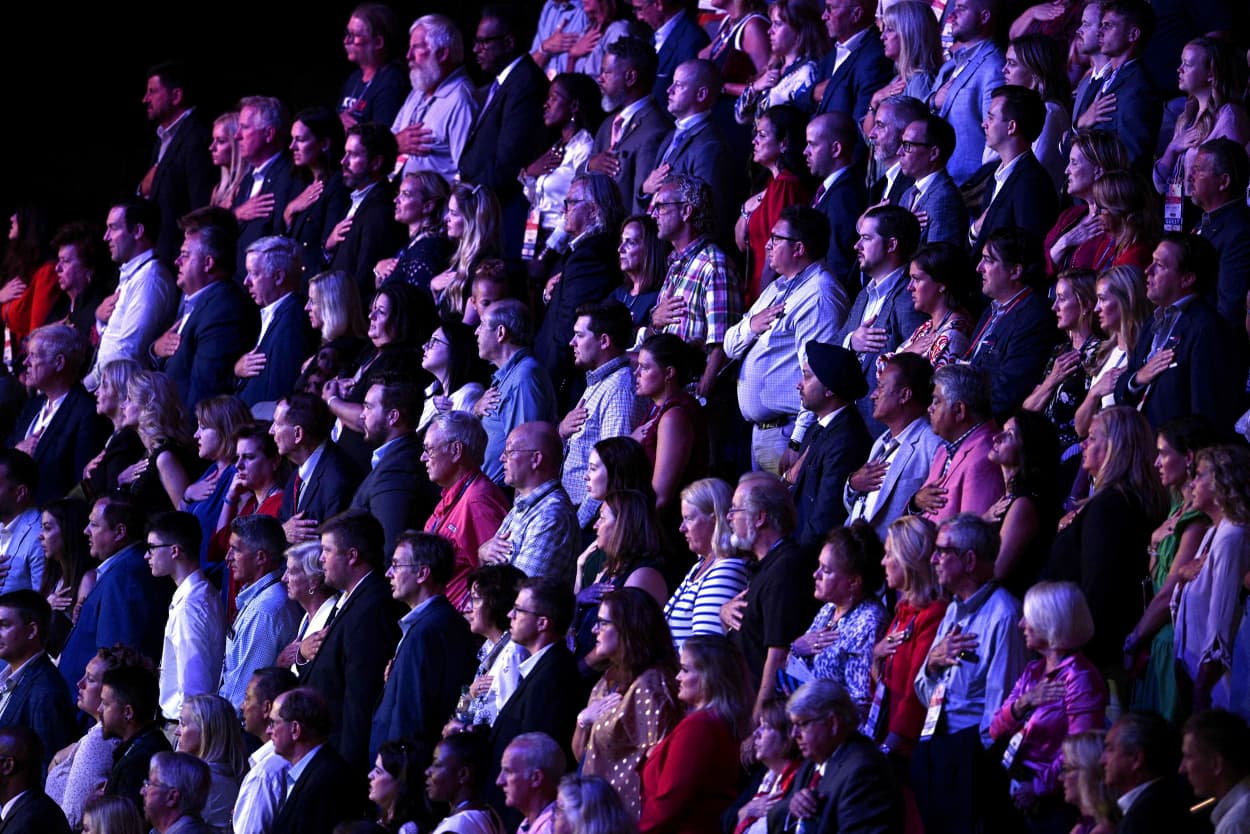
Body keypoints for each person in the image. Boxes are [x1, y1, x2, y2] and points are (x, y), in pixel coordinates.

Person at [911, 513, 1027, 834]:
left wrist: (977, 765)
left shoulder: (1004, 615)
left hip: (970, 758)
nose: (933, 559)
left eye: (941, 551)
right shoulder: (951, 611)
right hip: (935, 745)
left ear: (969, 559)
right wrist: (932, 663)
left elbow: (1001, 704)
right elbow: (922, 688)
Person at [1045, 406, 1168, 687]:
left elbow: (1098, 591)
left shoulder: (1109, 507)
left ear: (1115, 447)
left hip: (1093, 664)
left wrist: (1077, 664)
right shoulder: (1126, 500)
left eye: (1091, 437)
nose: (1083, 445)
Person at [724, 206, 846, 476]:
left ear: (799, 248)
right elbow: (730, 345)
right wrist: (751, 327)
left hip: (787, 432)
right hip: (763, 432)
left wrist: (797, 440)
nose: (767, 245)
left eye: (776, 238)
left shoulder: (819, 296)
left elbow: (816, 377)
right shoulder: (777, 286)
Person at [988, 582, 1108, 830]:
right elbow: (995, 729)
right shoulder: (1034, 671)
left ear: (1050, 621)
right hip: (1017, 783)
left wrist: (1039, 787)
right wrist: (1024, 702)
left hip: (1056, 798)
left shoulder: (1080, 677)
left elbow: (1079, 750)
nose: (1021, 624)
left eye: (1028, 617)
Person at [298, 511, 403, 771]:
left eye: (327, 550)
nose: (321, 559)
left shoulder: (373, 606)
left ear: (352, 556)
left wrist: (347, 772)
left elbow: (360, 698)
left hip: (342, 760)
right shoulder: (353, 599)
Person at [1128, 417, 1214, 722]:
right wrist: (1153, 542)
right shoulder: (1174, 510)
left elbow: (1170, 590)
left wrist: (1135, 637)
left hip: (1173, 639)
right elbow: (1155, 576)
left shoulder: (1197, 518)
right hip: (1157, 637)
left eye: (1164, 453)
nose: (1156, 463)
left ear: (1188, 457)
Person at [369, 532, 477, 763]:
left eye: (397, 565)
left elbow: (411, 712)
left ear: (422, 573)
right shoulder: (441, 623)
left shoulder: (427, 631)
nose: (389, 573)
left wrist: (396, 771)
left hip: (403, 771)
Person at [1114, 233, 1240, 431]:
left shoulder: (1206, 329)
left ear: (1187, 279)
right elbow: (1122, 386)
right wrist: (1138, 378)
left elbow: (1205, 414)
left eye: (1160, 266)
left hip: (1173, 455)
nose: (1147, 271)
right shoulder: (1152, 322)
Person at [575, 588, 680, 818]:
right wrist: (583, 720)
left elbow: (659, 764)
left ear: (628, 628)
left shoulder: (651, 684)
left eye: (602, 623)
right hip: (593, 814)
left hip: (626, 818)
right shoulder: (607, 679)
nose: (595, 630)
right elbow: (583, 756)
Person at [58, 493, 172, 698]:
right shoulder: (122, 570)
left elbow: (115, 662)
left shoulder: (125, 577)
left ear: (119, 532)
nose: (86, 531)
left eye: (93, 524)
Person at [723, 473, 816, 719]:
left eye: (735, 510)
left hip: (764, 717)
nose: (729, 518)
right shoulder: (764, 565)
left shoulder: (786, 568)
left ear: (760, 517)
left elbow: (777, 654)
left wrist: (758, 721)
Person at [459, 6, 549, 260]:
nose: (475, 50)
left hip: (503, 215)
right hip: (487, 210)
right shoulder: (503, 81)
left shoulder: (526, 83)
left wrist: (468, 196)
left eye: (483, 42)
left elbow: (508, 161)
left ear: (508, 42)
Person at [639, 635, 752, 834]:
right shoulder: (720, 721)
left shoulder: (699, 728)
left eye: (685, 670)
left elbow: (669, 803)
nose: (677, 677)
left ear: (709, 676)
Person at [487, 577, 581, 810]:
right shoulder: (543, 667)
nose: (510, 614)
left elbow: (534, 761)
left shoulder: (554, 676)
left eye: (519, 610)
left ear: (542, 623)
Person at [156, 208, 260, 412]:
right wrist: (155, 349)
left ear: (208, 262)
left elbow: (204, 396)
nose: (177, 261)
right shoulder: (197, 299)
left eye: (185, 255)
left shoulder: (224, 309)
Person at [645, 172, 740, 395]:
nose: (654, 215)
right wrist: (655, 322)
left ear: (686, 211)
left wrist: (700, 398)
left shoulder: (713, 265)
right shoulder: (676, 264)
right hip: (667, 395)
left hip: (692, 398)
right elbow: (656, 335)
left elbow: (722, 345)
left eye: (661, 207)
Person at [534, 175, 626, 403]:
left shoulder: (590, 255)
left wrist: (547, 389)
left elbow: (567, 329)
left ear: (593, 210)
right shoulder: (585, 251)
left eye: (571, 202)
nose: (564, 209)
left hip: (565, 387)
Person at [834, 205, 925, 436]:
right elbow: (835, 344)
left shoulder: (909, 296)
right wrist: (851, 341)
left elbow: (915, 370)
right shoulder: (865, 294)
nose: (857, 246)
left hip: (884, 430)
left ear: (891, 245)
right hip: (852, 428)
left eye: (866, 238)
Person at [766, 680, 901, 834]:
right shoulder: (811, 765)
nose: (794, 734)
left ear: (832, 723)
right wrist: (792, 807)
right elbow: (775, 814)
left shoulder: (865, 769)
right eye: (793, 726)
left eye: (802, 724)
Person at [1174, 446, 1250, 712]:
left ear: (1222, 480)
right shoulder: (1214, 532)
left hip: (1218, 693)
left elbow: (1221, 623)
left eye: (1199, 475)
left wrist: (1201, 692)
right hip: (1198, 678)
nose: (1192, 483)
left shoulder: (1232, 537)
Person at [45, 645, 152, 830]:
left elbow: (72, 818)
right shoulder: (97, 735)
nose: (80, 684)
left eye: (91, 679)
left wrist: (56, 760)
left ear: (110, 690)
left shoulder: (98, 742)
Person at [866, 517, 946, 764]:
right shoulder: (903, 612)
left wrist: (890, 746)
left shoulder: (932, 615)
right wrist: (876, 657)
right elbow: (885, 682)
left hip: (907, 753)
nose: (883, 562)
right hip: (887, 737)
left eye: (889, 554)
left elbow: (915, 693)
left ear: (909, 559)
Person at [784, 524, 887, 715]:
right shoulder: (828, 610)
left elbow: (861, 702)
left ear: (853, 582)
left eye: (826, 570)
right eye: (818, 566)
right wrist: (796, 646)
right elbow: (794, 661)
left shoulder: (869, 621)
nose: (816, 575)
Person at [561, 301, 646, 528]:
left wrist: (576, 526)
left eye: (579, 335)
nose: (572, 343)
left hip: (590, 520)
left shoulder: (619, 388)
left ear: (604, 341)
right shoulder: (599, 381)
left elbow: (612, 470)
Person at [82, 197, 178, 393]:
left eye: (113, 228)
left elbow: (128, 352)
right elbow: (113, 339)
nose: (106, 237)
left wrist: (84, 388)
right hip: (107, 390)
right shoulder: (132, 272)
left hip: (124, 396)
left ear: (137, 231)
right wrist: (100, 321)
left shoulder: (150, 279)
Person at [9, 325, 111, 504]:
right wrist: (17, 451)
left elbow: (81, 484)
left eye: (33, 355)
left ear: (59, 363)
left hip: (52, 523)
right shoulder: (31, 406)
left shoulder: (87, 412)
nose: (25, 363)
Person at [846, 353, 943, 539]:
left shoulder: (932, 443)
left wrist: (914, 503)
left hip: (892, 557)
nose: (873, 395)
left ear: (905, 395)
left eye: (881, 388)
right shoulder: (881, 442)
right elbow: (856, 504)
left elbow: (934, 512)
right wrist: (852, 484)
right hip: (856, 551)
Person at [965, 227, 1058, 421]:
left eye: (988, 261)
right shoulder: (993, 308)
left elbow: (1008, 393)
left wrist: (965, 419)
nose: (979, 267)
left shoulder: (1034, 317)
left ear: (1015, 271)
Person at [788, 341, 871, 554]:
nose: (799, 384)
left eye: (807, 376)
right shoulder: (817, 428)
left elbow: (824, 519)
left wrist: (793, 560)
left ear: (829, 389)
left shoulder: (846, 440)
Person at [421, 411, 508, 608]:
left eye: (429, 449)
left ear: (456, 450)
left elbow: (498, 578)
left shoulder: (478, 500)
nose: (423, 457)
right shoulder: (452, 494)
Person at [145, 511, 224, 724]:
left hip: (186, 724)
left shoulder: (190, 605)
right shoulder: (202, 591)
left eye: (152, 547)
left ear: (175, 551)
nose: (146, 555)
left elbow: (195, 685)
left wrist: (187, 733)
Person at [1021, 269, 1098, 482]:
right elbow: (1027, 410)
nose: (1054, 306)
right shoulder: (1059, 352)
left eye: (1062, 299)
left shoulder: (1098, 353)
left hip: (1072, 461)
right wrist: (1052, 379)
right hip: (1042, 456)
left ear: (1087, 304)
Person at [968, 86, 1060, 263]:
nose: (984, 124)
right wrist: (974, 230)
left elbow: (1027, 254)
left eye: (991, 118)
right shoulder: (995, 175)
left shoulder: (1032, 184)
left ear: (1011, 127)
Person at [219, 514, 300, 710]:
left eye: (235, 550)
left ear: (260, 557)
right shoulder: (261, 599)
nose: (227, 557)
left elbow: (240, 697)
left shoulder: (264, 610)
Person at [481, 422, 578, 584]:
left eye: (509, 452)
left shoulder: (551, 515)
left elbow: (520, 593)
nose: (502, 458)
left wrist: (483, 557)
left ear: (536, 459)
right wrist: (481, 553)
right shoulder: (524, 505)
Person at [138, 63, 215, 268]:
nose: (145, 99)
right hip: (160, 257)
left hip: (180, 261)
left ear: (176, 96)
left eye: (152, 92)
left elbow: (200, 207)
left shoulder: (196, 138)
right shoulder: (162, 139)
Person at [587, 37, 673, 218]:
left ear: (630, 77)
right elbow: (581, 178)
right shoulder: (608, 123)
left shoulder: (655, 129)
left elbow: (640, 205)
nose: (599, 79)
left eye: (607, 73)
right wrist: (590, 165)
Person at [350, 379, 436, 558]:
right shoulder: (398, 457)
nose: (362, 415)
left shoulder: (398, 470)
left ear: (393, 417)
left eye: (369, 407)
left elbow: (389, 550)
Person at [475, 300, 558, 484]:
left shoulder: (524, 377)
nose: (476, 332)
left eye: (482, 325)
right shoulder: (509, 376)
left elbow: (524, 456)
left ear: (500, 333)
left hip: (504, 495)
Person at [520, 74, 600, 265]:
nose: (546, 104)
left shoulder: (584, 148)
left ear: (573, 106)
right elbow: (536, 199)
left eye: (554, 98)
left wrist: (550, 249)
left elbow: (579, 204)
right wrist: (530, 174)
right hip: (536, 235)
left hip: (561, 244)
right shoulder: (557, 146)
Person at [1073, 0, 1161, 171]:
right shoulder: (1101, 80)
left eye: (1108, 25)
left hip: (1109, 194)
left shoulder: (1139, 88)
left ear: (1133, 35)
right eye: (1101, 25)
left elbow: (1131, 156)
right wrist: (1080, 124)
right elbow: (1070, 144)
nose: (1100, 31)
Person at [912, 364, 1004, 524]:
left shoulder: (986, 457)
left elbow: (970, 538)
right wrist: (915, 502)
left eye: (936, 401)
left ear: (960, 410)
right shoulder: (943, 450)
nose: (929, 409)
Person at [268, 687, 369, 834]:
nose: (268, 730)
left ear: (295, 729)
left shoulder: (327, 781)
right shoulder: (316, 771)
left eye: (273, 723)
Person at [926, 0, 1006, 185]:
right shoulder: (950, 65)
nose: (953, 14)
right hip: (935, 183)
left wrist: (976, 190)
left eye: (962, 8)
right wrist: (932, 101)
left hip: (966, 189)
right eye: (954, 8)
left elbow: (996, 142)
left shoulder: (994, 67)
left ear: (984, 16)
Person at [665, 478, 750, 649]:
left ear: (715, 518)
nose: (682, 528)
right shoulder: (700, 566)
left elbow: (704, 654)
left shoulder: (726, 570)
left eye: (688, 518)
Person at [981, 411, 1059, 596]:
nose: (996, 437)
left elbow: (997, 573)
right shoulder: (1009, 499)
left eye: (1009, 435)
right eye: (1002, 430)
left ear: (1028, 449)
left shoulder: (1025, 505)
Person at [235, 235, 318, 408]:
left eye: (254, 273)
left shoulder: (293, 322)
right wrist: (237, 370)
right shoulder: (274, 313)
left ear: (278, 277)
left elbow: (280, 393)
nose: (246, 282)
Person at [272, 393, 364, 545]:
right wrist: (282, 532)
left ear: (297, 434)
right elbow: (284, 521)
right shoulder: (298, 471)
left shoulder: (338, 480)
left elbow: (334, 549)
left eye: (277, 424)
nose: (271, 431)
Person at [325, 122, 405, 296]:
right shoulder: (356, 198)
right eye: (345, 153)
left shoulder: (381, 209)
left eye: (352, 155)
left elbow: (363, 279)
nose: (343, 161)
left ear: (376, 162)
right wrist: (328, 247)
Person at [0, 590, 78, 766]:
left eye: (4, 625)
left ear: (32, 630)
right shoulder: (10, 678)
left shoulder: (46, 691)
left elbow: (49, 770)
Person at [631, 333, 706, 514]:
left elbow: (661, 497)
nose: (636, 373)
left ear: (669, 373)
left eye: (645, 368)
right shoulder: (656, 408)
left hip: (664, 527)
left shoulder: (675, 416)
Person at [1073, 265, 1151, 439]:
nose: (1096, 309)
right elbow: (1080, 428)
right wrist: (1095, 392)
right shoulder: (1104, 352)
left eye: (1102, 299)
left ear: (1126, 300)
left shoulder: (1145, 353)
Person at [1044, 131, 1130, 276]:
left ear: (1098, 170)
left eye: (1074, 162)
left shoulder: (1117, 225)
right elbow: (1034, 271)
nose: (1066, 171)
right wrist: (1063, 243)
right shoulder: (1069, 216)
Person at [181, 396, 251, 573]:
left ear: (225, 431)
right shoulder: (211, 470)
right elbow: (180, 522)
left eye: (203, 428)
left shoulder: (239, 476)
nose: (196, 434)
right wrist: (187, 494)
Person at [1100, 711, 1200, 834]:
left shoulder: (1145, 817)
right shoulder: (1162, 803)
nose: (1102, 760)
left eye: (1110, 749)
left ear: (1136, 759)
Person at [456, 564, 525, 730]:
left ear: (497, 603)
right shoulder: (488, 648)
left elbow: (507, 723)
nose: (467, 608)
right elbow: (460, 713)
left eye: (476, 599)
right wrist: (469, 694)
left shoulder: (513, 652)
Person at [1191, 138, 1250, 333]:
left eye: (1198, 170)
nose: (1190, 176)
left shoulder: (1239, 232)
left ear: (1223, 181)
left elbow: (1229, 311)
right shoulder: (1206, 222)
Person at [1001, 34, 1073, 192]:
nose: (1003, 69)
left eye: (1012, 64)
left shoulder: (1050, 113)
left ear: (1036, 73)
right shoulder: (1016, 110)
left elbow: (1030, 170)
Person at [283, 106, 349, 275]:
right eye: (292, 139)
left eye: (300, 140)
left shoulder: (338, 186)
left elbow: (328, 247)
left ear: (325, 143)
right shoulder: (298, 182)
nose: (292, 146)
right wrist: (289, 211)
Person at [802, 113, 867, 284]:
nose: (805, 152)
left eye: (812, 144)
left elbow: (838, 262)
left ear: (836, 149)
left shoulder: (845, 195)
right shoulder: (831, 188)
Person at [734, 1, 823, 124]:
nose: (769, 31)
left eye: (777, 24)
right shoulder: (775, 67)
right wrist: (755, 87)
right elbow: (740, 116)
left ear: (799, 30)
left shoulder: (807, 72)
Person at [122, 370, 199, 513]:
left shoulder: (165, 457)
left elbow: (185, 517)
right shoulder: (149, 452)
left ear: (148, 406)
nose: (122, 405)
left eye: (129, 399)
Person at [232, 667, 297, 834]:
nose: (241, 706)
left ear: (267, 708)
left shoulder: (264, 776)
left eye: (247, 698)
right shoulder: (296, 758)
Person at [891, 242, 974, 373]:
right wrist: (907, 353)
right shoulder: (927, 327)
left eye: (917, 279)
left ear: (942, 284)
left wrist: (903, 356)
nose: (909, 287)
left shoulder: (953, 335)